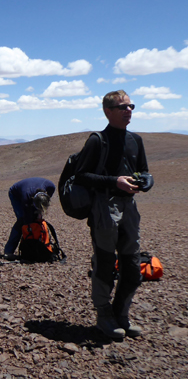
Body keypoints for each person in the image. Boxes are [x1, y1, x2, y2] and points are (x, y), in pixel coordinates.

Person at [74, 90, 152, 339]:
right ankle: (104, 316)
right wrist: (114, 181)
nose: (128, 110)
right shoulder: (98, 141)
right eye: (122, 107)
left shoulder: (135, 140)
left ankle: (122, 314)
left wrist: (146, 181)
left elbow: (143, 170)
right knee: (105, 263)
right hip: (104, 208)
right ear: (108, 112)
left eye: (131, 106)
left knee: (132, 265)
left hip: (129, 208)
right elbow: (81, 175)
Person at [2, 178, 56, 259]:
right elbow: (27, 217)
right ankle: (9, 251)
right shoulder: (26, 196)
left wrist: (39, 214)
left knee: (35, 219)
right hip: (15, 193)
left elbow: (44, 202)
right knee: (22, 220)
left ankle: (38, 247)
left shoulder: (51, 186)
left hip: (31, 192)